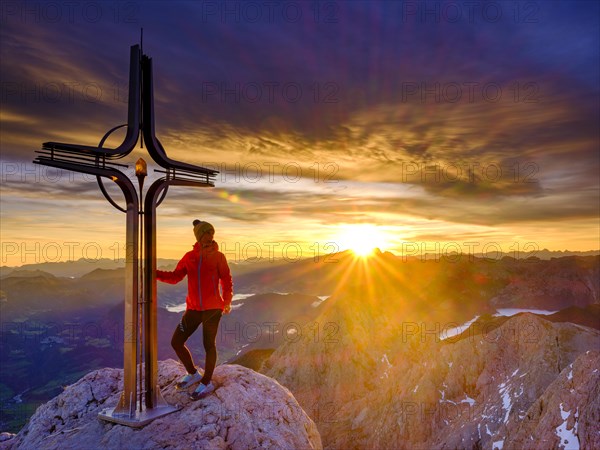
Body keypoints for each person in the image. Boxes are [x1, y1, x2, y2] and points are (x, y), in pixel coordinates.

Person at [156, 219, 233, 400]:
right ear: (199, 236)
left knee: (209, 345)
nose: (210, 237)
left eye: (212, 233)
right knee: (177, 341)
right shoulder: (189, 257)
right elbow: (175, 277)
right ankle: (193, 374)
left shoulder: (218, 256)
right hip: (193, 309)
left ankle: (206, 382)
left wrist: (227, 301)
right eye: (206, 233)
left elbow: (226, 280)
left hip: (213, 309)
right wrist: (154, 273)